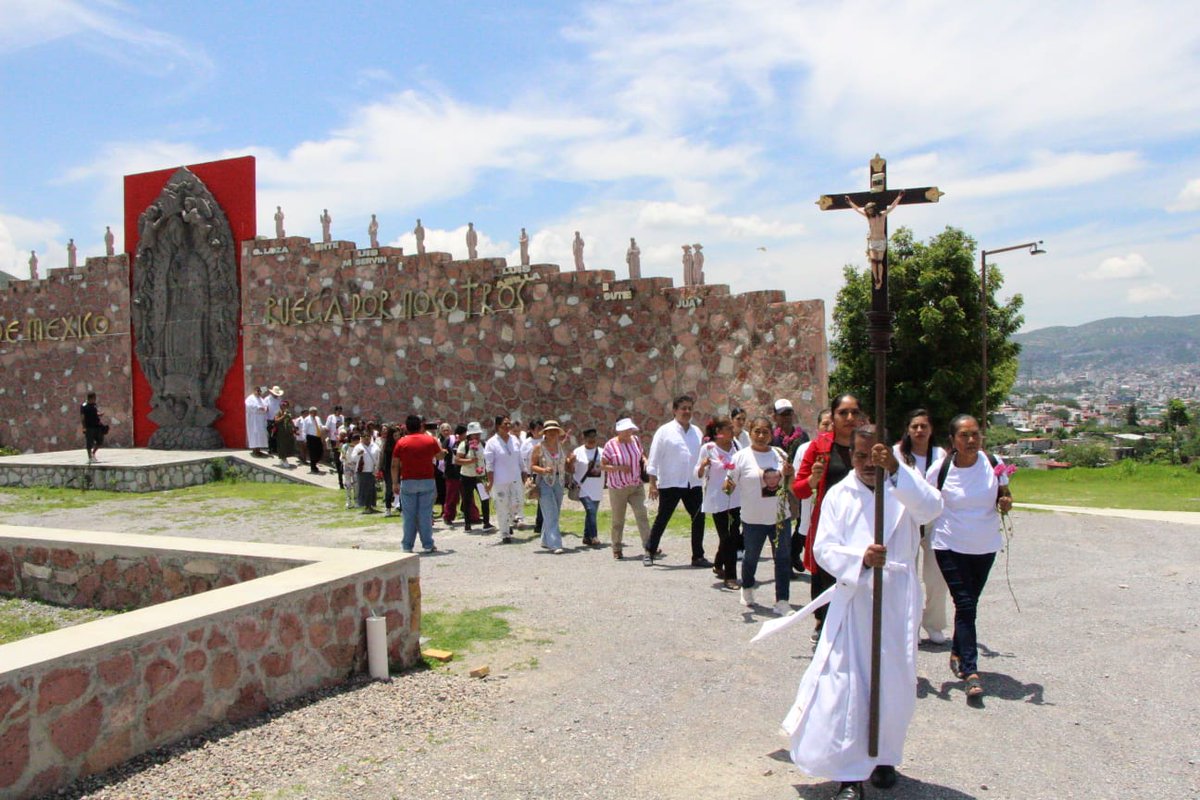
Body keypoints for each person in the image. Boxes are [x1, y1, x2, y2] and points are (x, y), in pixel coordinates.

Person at [782, 425, 943, 797]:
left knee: (893, 682)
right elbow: (823, 548)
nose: (868, 463)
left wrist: (898, 471)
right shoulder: (839, 495)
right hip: (857, 600)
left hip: (896, 600)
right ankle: (850, 774)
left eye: (875, 456)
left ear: (888, 453)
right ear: (850, 455)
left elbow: (932, 508)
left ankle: (884, 757)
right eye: (859, 456)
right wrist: (861, 558)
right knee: (847, 686)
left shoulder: (903, 484)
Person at [927, 414, 1012, 699]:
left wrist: (1006, 502)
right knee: (964, 603)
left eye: (975, 434)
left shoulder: (994, 463)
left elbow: (1005, 494)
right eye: (964, 435)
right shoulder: (941, 469)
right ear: (952, 440)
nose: (971, 440)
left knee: (969, 604)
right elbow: (926, 501)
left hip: (985, 545)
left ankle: (957, 650)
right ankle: (971, 670)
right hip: (949, 544)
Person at [793, 394, 866, 642]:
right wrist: (813, 480)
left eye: (854, 412)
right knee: (826, 579)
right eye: (843, 413)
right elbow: (799, 489)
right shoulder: (819, 446)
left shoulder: (868, 444)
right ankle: (825, 628)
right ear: (833, 417)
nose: (849, 417)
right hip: (829, 526)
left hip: (862, 526)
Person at [726, 416, 793, 614]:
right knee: (751, 557)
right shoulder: (741, 457)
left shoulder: (779, 454)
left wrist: (790, 473)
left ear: (771, 434)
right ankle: (747, 587)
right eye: (757, 431)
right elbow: (728, 488)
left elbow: (790, 484)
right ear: (750, 432)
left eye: (765, 432)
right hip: (753, 519)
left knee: (782, 559)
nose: (761, 436)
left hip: (780, 518)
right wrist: (723, 480)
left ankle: (782, 601)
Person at [894, 408, 949, 644]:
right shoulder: (897, 454)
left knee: (936, 577)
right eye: (914, 426)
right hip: (907, 520)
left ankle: (934, 623)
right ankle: (911, 625)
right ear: (907, 429)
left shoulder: (940, 455)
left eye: (923, 426)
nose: (919, 430)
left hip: (934, 522)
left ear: (931, 429)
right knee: (909, 577)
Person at [645, 395, 708, 568]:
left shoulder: (697, 432)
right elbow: (654, 458)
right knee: (663, 518)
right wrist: (652, 483)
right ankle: (650, 551)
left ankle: (698, 556)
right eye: (683, 408)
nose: (687, 411)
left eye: (689, 408)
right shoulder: (664, 431)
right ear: (674, 410)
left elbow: (701, 456)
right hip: (671, 482)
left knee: (699, 518)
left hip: (692, 483)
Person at [696, 416, 742, 588]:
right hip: (717, 500)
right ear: (719, 432)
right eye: (728, 428)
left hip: (735, 498)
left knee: (732, 536)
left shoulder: (737, 446)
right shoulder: (708, 449)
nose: (732, 431)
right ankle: (731, 576)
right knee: (728, 537)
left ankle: (718, 563)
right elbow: (697, 473)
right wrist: (702, 466)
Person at [601, 418, 651, 560]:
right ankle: (617, 547)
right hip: (618, 487)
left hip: (636, 484)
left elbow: (641, 454)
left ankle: (649, 546)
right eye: (627, 430)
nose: (629, 432)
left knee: (642, 515)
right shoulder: (610, 445)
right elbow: (603, 466)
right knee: (618, 519)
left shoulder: (635, 440)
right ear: (620, 431)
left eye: (630, 429)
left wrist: (645, 460)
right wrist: (619, 468)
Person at [392, 415, 443, 553]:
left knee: (409, 515)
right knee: (425, 514)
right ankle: (428, 544)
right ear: (420, 426)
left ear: (406, 428)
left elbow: (394, 464)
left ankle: (407, 546)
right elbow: (439, 456)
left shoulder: (401, 442)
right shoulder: (430, 440)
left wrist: (394, 483)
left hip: (408, 480)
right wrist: (443, 451)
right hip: (427, 480)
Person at [792, 409, 833, 574]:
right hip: (810, 504)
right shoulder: (807, 448)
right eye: (825, 424)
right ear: (818, 426)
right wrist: (813, 479)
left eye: (832, 424)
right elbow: (798, 481)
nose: (829, 428)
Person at [772, 398, 810, 573]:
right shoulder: (772, 437)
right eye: (782, 414)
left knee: (803, 521)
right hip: (778, 485)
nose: (786, 417)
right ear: (775, 417)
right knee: (781, 524)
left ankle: (794, 552)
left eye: (789, 413)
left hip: (798, 483)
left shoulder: (802, 437)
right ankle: (784, 564)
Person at [529, 420, 569, 553]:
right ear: (545, 433)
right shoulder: (539, 447)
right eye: (549, 431)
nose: (552, 433)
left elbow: (564, 462)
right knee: (550, 512)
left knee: (554, 512)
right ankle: (555, 544)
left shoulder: (560, 446)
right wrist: (543, 470)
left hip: (559, 481)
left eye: (554, 431)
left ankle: (545, 540)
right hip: (544, 482)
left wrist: (570, 461)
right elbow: (532, 466)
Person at [485, 415, 524, 544]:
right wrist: (490, 481)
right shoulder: (492, 443)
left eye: (509, 424)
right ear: (498, 426)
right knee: (502, 506)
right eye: (505, 424)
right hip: (500, 480)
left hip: (515, 478)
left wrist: (524, 472)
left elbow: (520, 458)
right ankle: (505, 533)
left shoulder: (514, 439)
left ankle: (511, 521)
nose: (508, 426)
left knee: (516, 503)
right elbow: (489, 464)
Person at [571, 428, 605, 547]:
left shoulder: (602, 452)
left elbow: (607, 466)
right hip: (582, 488)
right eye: (589, 437)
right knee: (590, 510)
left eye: (594, 436)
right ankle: (594, 536)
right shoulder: (578, 451)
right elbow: (570, 469)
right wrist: (569, 462)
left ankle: (586, 537)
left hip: (597, 488)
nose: (592, 439)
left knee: (592, 513)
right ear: (584, 438)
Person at [456, 422, 492, 531]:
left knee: (485, 499)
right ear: (470, 435)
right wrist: (470, 461)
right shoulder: (464, 445)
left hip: (480, 476)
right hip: (467, 476)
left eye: (478, 434)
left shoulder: (483, 444)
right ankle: (467, 524)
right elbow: (457, 460)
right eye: (474, 434)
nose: (477, 436)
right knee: (467, 500)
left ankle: (486, 523)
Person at [349, 431, 380, 514]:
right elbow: (352, 458)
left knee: (372, 489)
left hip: (372, 471)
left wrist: (377, 468)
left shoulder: (375, 446)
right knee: (364, 489)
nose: (366, 438)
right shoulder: (358, 447)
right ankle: (366, 507)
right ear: (361, 438)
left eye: (368, 436)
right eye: (364, 436)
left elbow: (378, 458)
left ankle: (371, 506)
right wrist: (358, 454)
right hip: (362, 471)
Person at [441, 424, 465, 525]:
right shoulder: (449, 440)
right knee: (451, 496)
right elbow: (442, 453)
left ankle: (472, 515)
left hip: (464, 471)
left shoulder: (467, 442)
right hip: (451, 472)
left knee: (467, 495)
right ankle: (448, 516)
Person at [244, 387, 269, 457]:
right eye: (257, 391)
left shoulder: (261, 399)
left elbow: (265, 406)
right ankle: (254, 450)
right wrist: (258, 407)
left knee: (261, 434)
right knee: (255, 434)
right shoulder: (250, 398)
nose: (259, 393)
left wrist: (265, 408)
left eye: (260, 391)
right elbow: (249, 406)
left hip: (261, 420)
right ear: (254, 391)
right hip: (254, 420)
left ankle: (258, 450)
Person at [80, 392, 105, 462]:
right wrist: (84, 427)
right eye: (94, 398)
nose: (95, 400)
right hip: (89, 427)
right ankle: (90, 457)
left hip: (97, 426)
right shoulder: (84, 406)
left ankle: (93, 453)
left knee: (100, 441)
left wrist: (99, 414)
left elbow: (95, 413)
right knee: (89, 442)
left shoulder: (94, 405)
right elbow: (82, 417)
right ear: (90, 398)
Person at [300, 407, 324, 474]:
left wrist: (324, 428)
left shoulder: (317, 418)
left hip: (318, 437)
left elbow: (320, 426)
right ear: (310, 412)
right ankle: (313, 467)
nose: (315, 413)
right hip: (311, 437)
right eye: (314, 412)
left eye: (316, 412)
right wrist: (304, 439)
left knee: (320, 451)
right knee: (313, 453)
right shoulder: (307, 419)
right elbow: (304, 430)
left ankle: (315, 463)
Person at [274, 401, 297, 467]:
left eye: (286, 405)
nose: (285, 406)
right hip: (281, 432)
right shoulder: (278, 412)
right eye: (283, 405)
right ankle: (284, 459)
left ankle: (282, 459)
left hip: (288, 431)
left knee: (288, 445)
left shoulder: (288, 412)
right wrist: (284, 416)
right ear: (280, 406)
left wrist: (294, 427)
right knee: (282, 446)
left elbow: (290, 420)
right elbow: (276, 420)